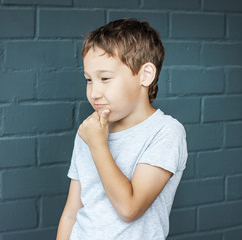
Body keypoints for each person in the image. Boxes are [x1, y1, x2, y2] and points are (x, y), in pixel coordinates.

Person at [56, 18, 188, 240]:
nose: (94, 92)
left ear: (145, 75)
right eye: (89, 80)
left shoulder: (166, 132)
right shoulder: (90, 131)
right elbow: (71, 212)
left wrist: (98, 145)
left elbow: (129, 209)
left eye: (105, 78)